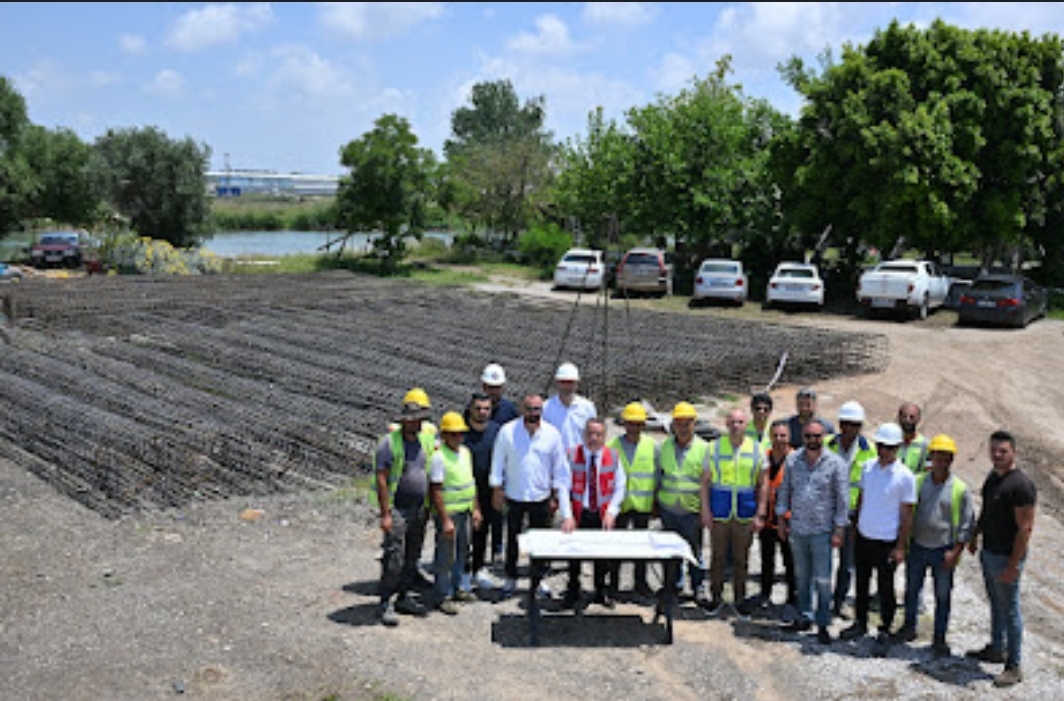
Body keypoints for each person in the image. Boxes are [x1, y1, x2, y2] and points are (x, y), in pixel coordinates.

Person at [965, 430, 1037, 688]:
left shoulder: (1021, 485)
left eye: (1003, 451)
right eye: (994, 450)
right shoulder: (993, 478)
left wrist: (1014, 565)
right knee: (995, 603)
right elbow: (987, 510)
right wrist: (975, 536)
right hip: (989, 552)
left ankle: (1014, 665)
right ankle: (997, 648)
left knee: (1010, 609)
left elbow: (1025, 529)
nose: (997, 455)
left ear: (1013, 452)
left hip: (1007, 557)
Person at [839, 422, 916, 656]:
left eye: (890, 447)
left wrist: (901, 546)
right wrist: (855, 527)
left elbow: (907, 515)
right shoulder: (868, 467)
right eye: (882, 446)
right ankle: (860, 623)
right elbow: (862, 497)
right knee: (861, 583)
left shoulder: (905, 476)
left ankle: (884, 630)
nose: (885, 451)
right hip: (864, 536)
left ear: (898, 447)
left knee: (885, 589)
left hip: (887, 541)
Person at [894, 433, 974, 657]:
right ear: (931, 457)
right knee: (912, 590)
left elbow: (967, 524)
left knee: (942, 596)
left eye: (945, 457)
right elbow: (908, 514)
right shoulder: (918, 482)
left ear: (951, 460)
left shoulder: (959, 489)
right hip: (918, 547)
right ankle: (909, 627)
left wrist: (955, 552)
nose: (940, 461)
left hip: (943, 550)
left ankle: (939, 638)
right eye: (937, 456)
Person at [490, 393, 575, 598]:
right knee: (513, 539)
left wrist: (560, 502)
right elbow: (498, 462)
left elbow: (560, 470)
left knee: (542, 542)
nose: (533, 413)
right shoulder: (508, 431)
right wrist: (496, 489)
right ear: (522, 409)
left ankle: (539, 581)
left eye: (537, 409)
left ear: (542, 410)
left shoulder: (552, 434)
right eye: (529, 409)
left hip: (541, 497)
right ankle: (510, 578)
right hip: (515, 495)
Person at [775, 418, 849, 645]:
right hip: (798, 529)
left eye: (817, 436)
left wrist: (839, 530)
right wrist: (780, 519)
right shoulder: (792, 460)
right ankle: (804, 616)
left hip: (823, 531)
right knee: (802, 577)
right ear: (803, 438)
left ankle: (823, 623)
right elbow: (784, 490)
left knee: (823, 580)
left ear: (824, 437)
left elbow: (842, 500)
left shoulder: (836, 463)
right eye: (808, 436)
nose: (813, 441)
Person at [374, 398, 438, 626]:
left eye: (421, 419)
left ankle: (403, 597)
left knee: (413, 555)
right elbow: (381, 479)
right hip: (397, 508)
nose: (418, 424)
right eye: (414, 420)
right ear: (405, 422)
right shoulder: (389, 443)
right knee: (394, 557)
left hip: (420, 508)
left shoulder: (425, 442)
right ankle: (385, 600)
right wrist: (385, 514)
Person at [701, 408, 764, 617]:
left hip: (745, 513)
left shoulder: (756, 449)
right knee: (717, 558)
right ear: (726, 425)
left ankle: (739, 600)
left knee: (741, 559)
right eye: (732, 422)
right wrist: (706, 510)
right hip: (720, 512)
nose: (736, 426)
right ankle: (716, 597)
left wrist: (760, 513)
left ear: (746, 425)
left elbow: (763, 485)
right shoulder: (713, 448)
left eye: (740, 422)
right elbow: (705, 482)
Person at [563, 416, 626, 609]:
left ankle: (600, 591)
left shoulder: (613, 456)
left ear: (604, 436)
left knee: (602, 555)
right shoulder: (572, 455)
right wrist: (567, 515)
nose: (594, 438)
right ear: (584, 435)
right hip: (578, 512)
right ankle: (573, 590)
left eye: (598, 434)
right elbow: (563, 487)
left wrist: (612, 512)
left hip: (601, 513)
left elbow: (620, 486)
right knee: (574, 555)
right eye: (590, 433)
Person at [826, 400, 877, 620]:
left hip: (852, 515)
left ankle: (839, 602)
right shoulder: (826, 444)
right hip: (826, 512)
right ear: (840, 424)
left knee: (848, 564)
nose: (850, 429)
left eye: (855, 424)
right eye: (846, 423)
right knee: (822, 560)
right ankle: (819, 601)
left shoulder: (870, 450)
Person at [655, 401, 710, 606]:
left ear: (694, 424)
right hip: (668, 509)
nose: (683, 427)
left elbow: (707, 481)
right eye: (679, 423)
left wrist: (705, 510)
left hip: (692, 509)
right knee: (671, 552)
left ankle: (698, 587)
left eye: (687, 423)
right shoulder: (664, 447)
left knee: (695, 552)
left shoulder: (704, 448)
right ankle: (675, 586)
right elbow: (659, 477)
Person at [428, 411, 482, 615]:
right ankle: (443, 595)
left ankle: (459, 587)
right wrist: (444, 520)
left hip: (464, 511)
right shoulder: (439, 457)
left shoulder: (465, 453)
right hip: (449, 514)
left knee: (462, 551)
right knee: (445, 556)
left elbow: (470, 482)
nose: (458, 437)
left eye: (461, 433)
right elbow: (436, 490)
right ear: (444, 435)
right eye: (453, 434)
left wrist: (476, 509)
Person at [608, 401, 660, 601]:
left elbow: (656, 475)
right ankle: (613, 584)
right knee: (616, 548)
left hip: (642, 506)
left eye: (638, 424)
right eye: (630, 423)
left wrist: (655, 502)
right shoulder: (612, 446)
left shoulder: (652, 446)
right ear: (624, 424)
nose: (634, 427)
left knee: (642, 548)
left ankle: (640, 582)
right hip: (620, 505)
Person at [462, 392, 502, 590]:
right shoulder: (461, 431)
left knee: (481, 530)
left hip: (488, 490)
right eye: (478, 408)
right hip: (463, 489)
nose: (482, 412)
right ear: (470, 409)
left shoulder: (497, 431)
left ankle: (477, 568)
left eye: (486, 409)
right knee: (461, 532)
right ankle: (461, 571)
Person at [756, 419, 796, 609]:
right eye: (776, 435)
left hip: (788, 521)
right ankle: (765, 594)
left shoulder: (797, 460)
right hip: (767, 519)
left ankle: (792, 598)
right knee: (766, 560)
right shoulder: (765, 457)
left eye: (783, 436)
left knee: (791, 562)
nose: (780, 439)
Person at [543, 362, 597, 456]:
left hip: (581, 461)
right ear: (557, 383)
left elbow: (593, 435)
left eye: (571, 382)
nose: (567, 386)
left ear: (577, 383)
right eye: (563, 382)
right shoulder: (546, 408)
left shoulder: (587, 407)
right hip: (555, 461)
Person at [896, 402, 930, 473]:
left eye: (912, 417)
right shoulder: (891, 441)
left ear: (919, 419)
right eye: (904, 416)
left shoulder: (926, 446)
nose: (908, 420)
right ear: (899, 418)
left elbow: (928, 472)